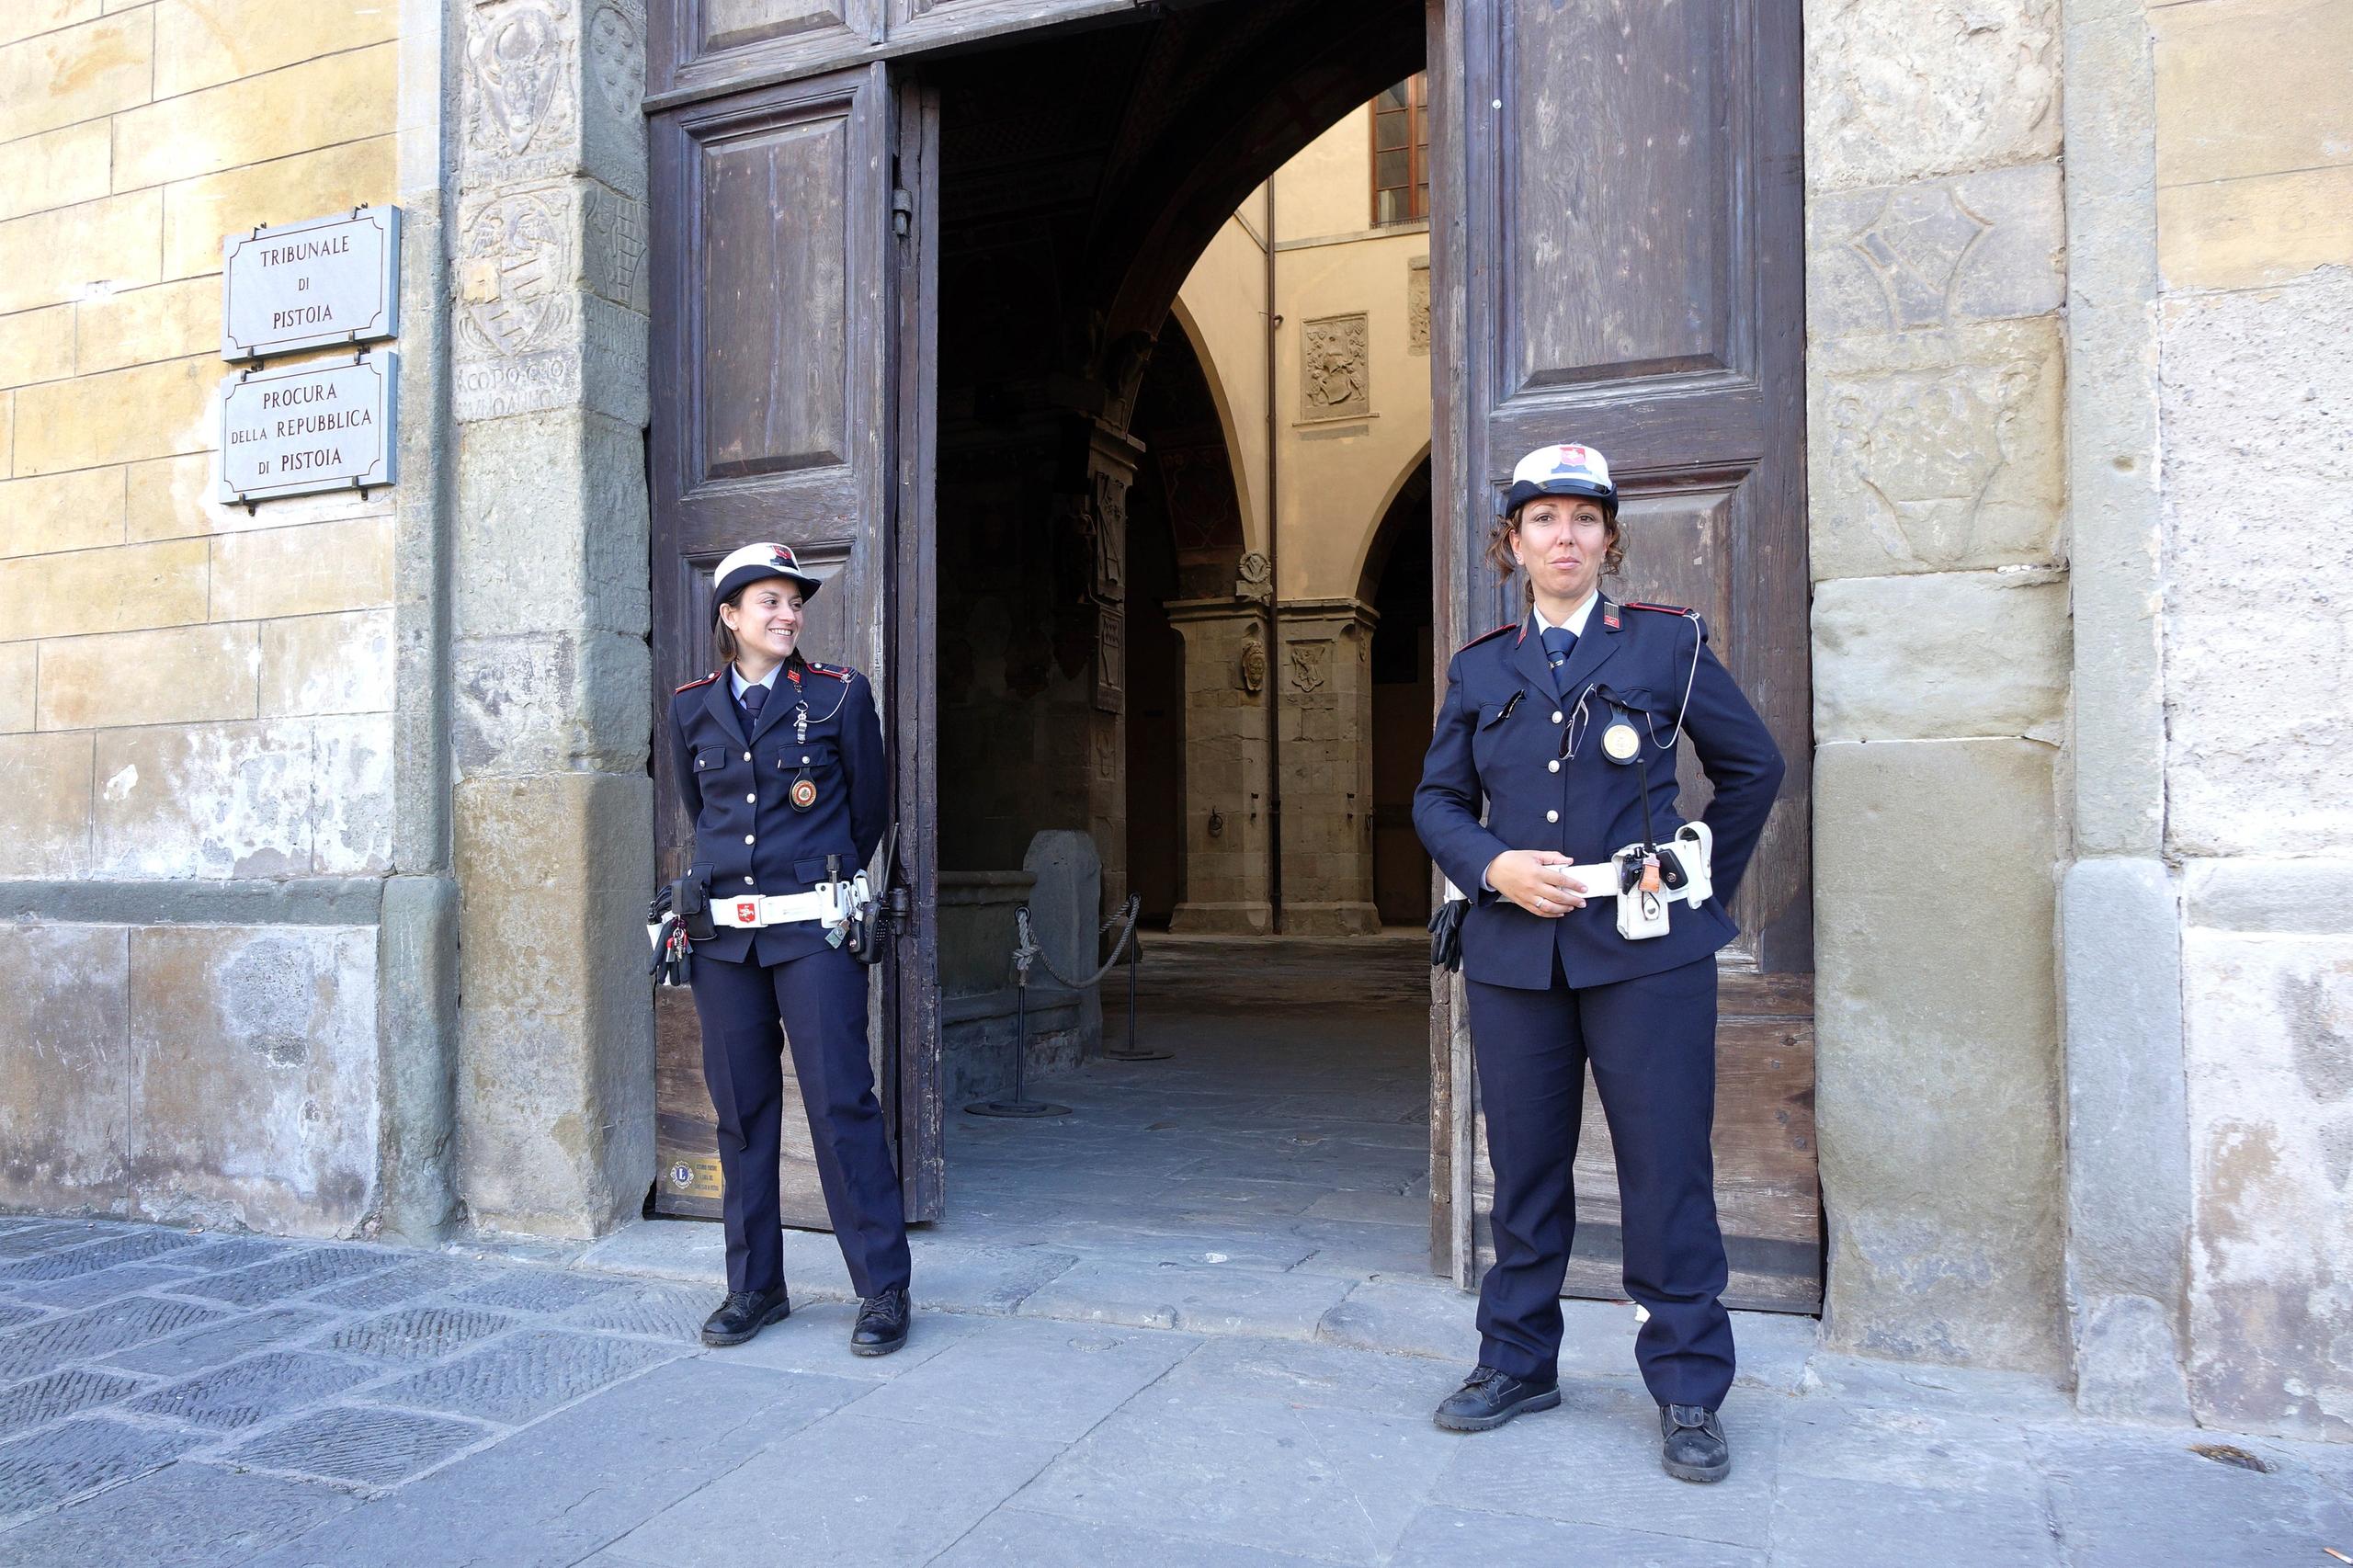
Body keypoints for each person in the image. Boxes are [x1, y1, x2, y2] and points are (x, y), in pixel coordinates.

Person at [1412, 444, 1785, 1483]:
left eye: (1583, 519)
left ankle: (1688, 1389)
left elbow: (1754, 766)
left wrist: (1694, 882)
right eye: (1542, 520)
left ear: (1608, 538)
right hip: (1513, 952)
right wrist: (1489, 866)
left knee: (1666, 1171)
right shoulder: (1480, 667)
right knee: (1523, 1171)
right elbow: (1435, 799)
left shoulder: (1666, 646)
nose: (1563, 538)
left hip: (1647, 953)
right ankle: (1517, 1360)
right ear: (1513, 541)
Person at [668, 542, 912, 1355]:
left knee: (842, 1103)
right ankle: (755, 1287)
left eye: (793, 601)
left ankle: (881, 1289)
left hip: (813, 932)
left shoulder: (840, 697)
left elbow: (868, 812)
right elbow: (697, 807)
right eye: (766, 601)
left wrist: (815, 887)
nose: (786, 614)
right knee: (740, 1115)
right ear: (729, 618)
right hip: (723, 945)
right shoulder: (690, 707)